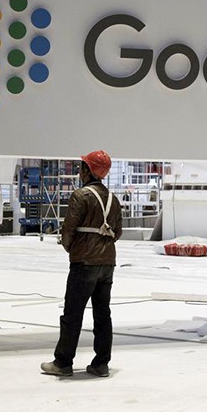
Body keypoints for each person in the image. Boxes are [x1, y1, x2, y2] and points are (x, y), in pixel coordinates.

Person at [41, 150, 123, 378]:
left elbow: (68, 231)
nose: (79, 170)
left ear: (88, 170)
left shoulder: (80, 196)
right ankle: (101, 364)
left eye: (82, 166)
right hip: (107, 264)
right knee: (102, 314)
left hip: (84, 263)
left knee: (73, 314)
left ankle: (63, 363)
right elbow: (118, 232)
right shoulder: (113, 199)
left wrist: (71, 247)